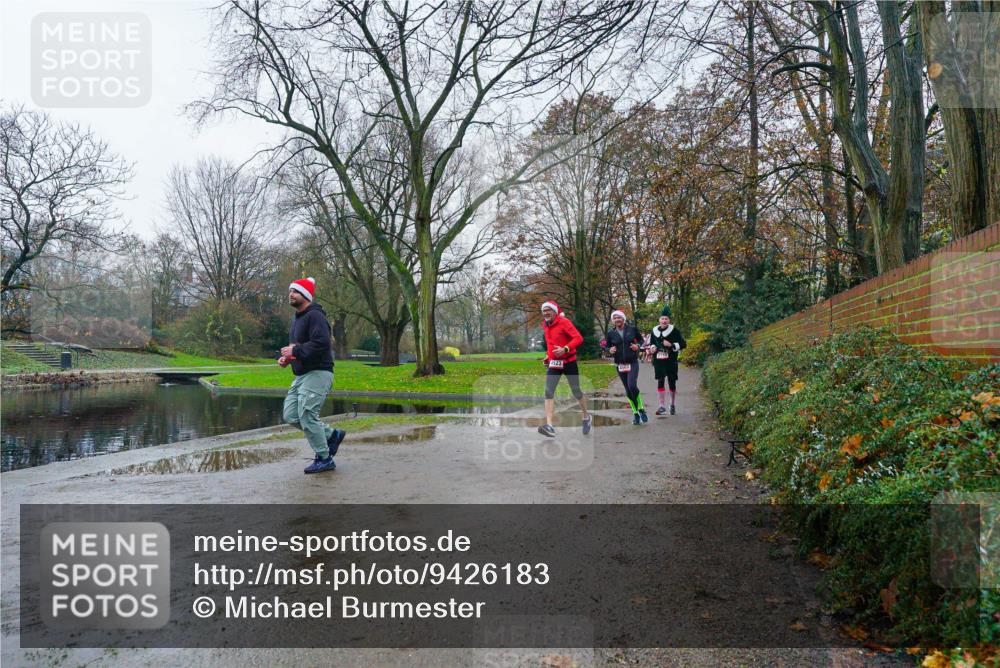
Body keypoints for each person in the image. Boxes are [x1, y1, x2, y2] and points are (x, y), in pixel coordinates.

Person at [279, 277, 345, 474]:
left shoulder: (315, 315)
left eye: (295, 291)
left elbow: (322, 344)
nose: (291, 294)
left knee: (307, 415)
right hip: (302, 374)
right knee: (290, 415)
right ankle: (332, 435)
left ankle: (324, 458)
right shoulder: (297, 318)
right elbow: (297, 348)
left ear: (306, 295)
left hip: (319, 372)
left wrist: (295, 352)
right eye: (290, 291)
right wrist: (288, 358)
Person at [538, 300, 593, 438]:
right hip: (554, 363)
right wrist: (548, 356)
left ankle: (586, 416)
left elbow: (578, 338)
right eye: (543, 311)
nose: (545, 313)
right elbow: (551, 344)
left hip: (569, 361)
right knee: (548, 392)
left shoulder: (564, 322)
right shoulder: (545, 325)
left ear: (555, 312)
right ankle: (549, 425)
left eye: (548, 310)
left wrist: (565, 349)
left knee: (576, 391)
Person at [602, 309, 647, 425]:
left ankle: (641, 408)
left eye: (619, 317)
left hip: (632, 362)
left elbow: (641, 340)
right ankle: (636, 413)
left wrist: (637, 346)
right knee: (627, 390)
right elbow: (607, 347)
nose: (617, 319)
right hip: (619, 364)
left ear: (623, 319)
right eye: (615, 318)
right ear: (613, 321)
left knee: (632, 386)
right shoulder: (611, 333)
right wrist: (609, 350)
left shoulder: (632, 329)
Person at [648, 305, 686, 415]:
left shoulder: (674, 330)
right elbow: (651, 343)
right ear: (659, 320)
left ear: (669, 320)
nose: (664, 321)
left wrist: (671, 344)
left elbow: (683, 344)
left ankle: (672, 404)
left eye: (666, 319)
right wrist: (652, 348)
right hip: (659, 360)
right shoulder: (654, 330)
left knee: (671, 382)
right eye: (662, 318)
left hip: (671, 361)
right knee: (660, 381)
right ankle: (661, 406)